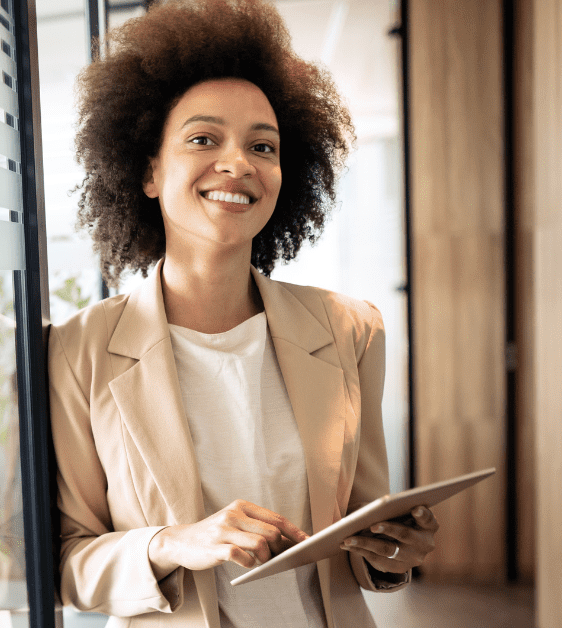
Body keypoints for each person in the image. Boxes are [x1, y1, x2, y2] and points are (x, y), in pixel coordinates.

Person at [48, 1, 439, 627]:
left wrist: (396, 553)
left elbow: (367, 535)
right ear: (148, 169)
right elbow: (66, 565)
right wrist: (172, 542)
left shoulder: (349, 330)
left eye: (263, 145)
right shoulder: (77, 350)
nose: (238, 163)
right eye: (204, 139)